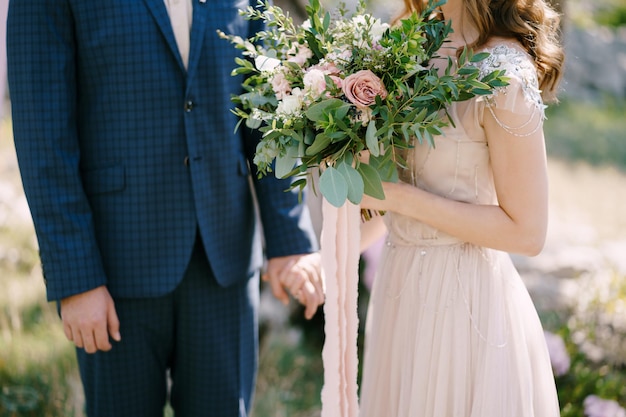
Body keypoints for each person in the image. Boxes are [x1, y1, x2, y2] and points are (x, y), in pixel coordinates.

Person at [7, 1, 324, 416]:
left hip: (223, 263)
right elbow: (43, 138)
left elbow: (269, 106)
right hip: (114, 269)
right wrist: (76, 279)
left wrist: (289, 240)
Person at [358, 0, 564, 415]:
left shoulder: (503, 72)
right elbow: (392, 193)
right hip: (399, 295)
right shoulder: (408, 50)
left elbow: (526, 231)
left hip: (463, 307)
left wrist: (395, 197)